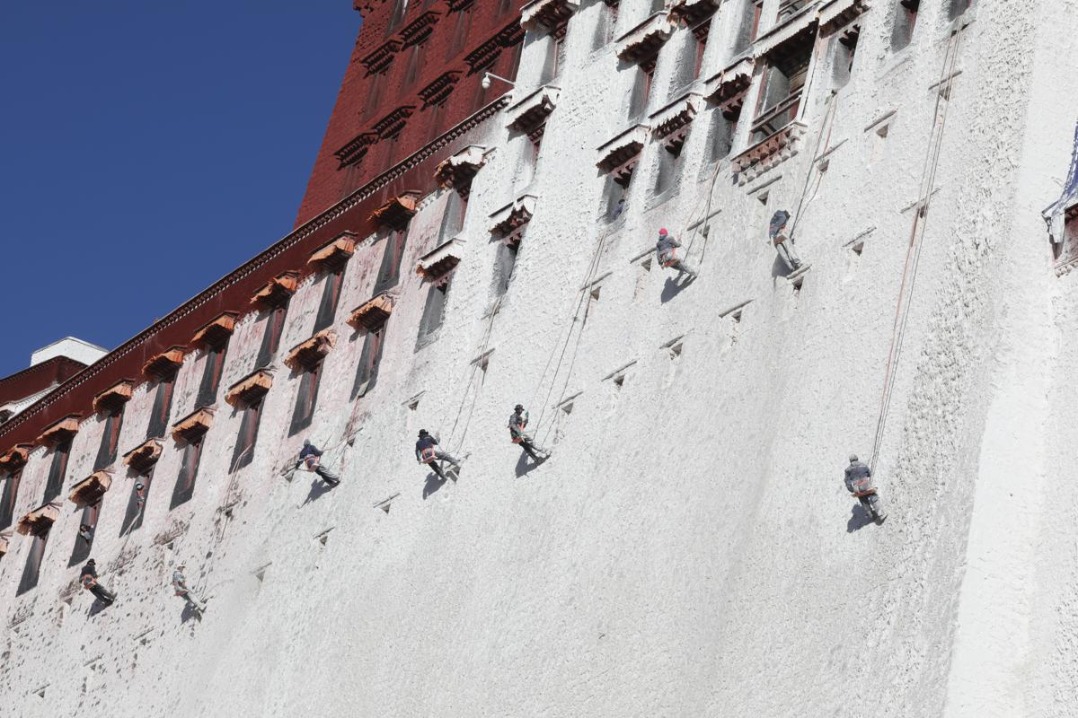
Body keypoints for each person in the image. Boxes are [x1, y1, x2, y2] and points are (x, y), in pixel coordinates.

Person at [844, 454, 886, 523]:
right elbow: (869, 473)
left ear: (850, 461)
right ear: (857, 458)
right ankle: (880, 513)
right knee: (873, 497)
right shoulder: (863, 465)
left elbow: (847, 481)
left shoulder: (847, 470)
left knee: (863, 500)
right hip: (865, 485)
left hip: (856, 488)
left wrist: (851, 489)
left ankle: (871, 515)